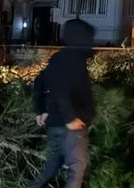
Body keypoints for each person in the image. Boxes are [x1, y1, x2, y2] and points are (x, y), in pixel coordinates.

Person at [30, 19, 96, 188]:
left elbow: (40, 81)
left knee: (50, 169)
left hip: (54, 124)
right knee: (77, 169)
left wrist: (40, 109)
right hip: (70, 129)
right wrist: (70, 118)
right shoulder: (75, 60)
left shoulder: (57, 59)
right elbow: (61, 90)